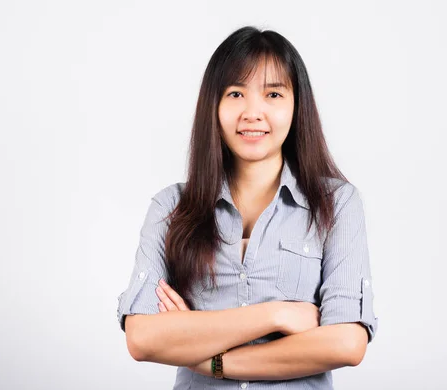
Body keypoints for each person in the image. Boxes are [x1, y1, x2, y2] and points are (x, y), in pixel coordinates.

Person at [116, 25, 378, 389]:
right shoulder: (171, 207)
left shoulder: (336, 204)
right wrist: (279, 314)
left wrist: (209, 358)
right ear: (214, 105)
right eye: (236, 93)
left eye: (273, 93)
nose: (253, 112)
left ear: (296, 105)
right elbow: (143, 338)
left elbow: (347, 343)